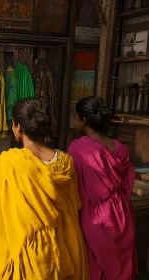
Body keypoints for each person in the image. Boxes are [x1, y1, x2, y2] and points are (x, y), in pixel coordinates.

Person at [0, 98, 89, 279]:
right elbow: (74, 205)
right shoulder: (65, 162)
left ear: (18, 127)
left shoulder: (7, 163)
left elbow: (0, 198)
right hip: (63, 250)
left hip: (26, 255)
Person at [68, 97, 137, 280]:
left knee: (97, 269)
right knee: (120, 269)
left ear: (83, 120)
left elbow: (71, 189)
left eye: (75, 118)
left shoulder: (78, 149)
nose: (74, 122)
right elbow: (128, 183)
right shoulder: (120, 148)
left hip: (95, 219)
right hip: (122, 215)